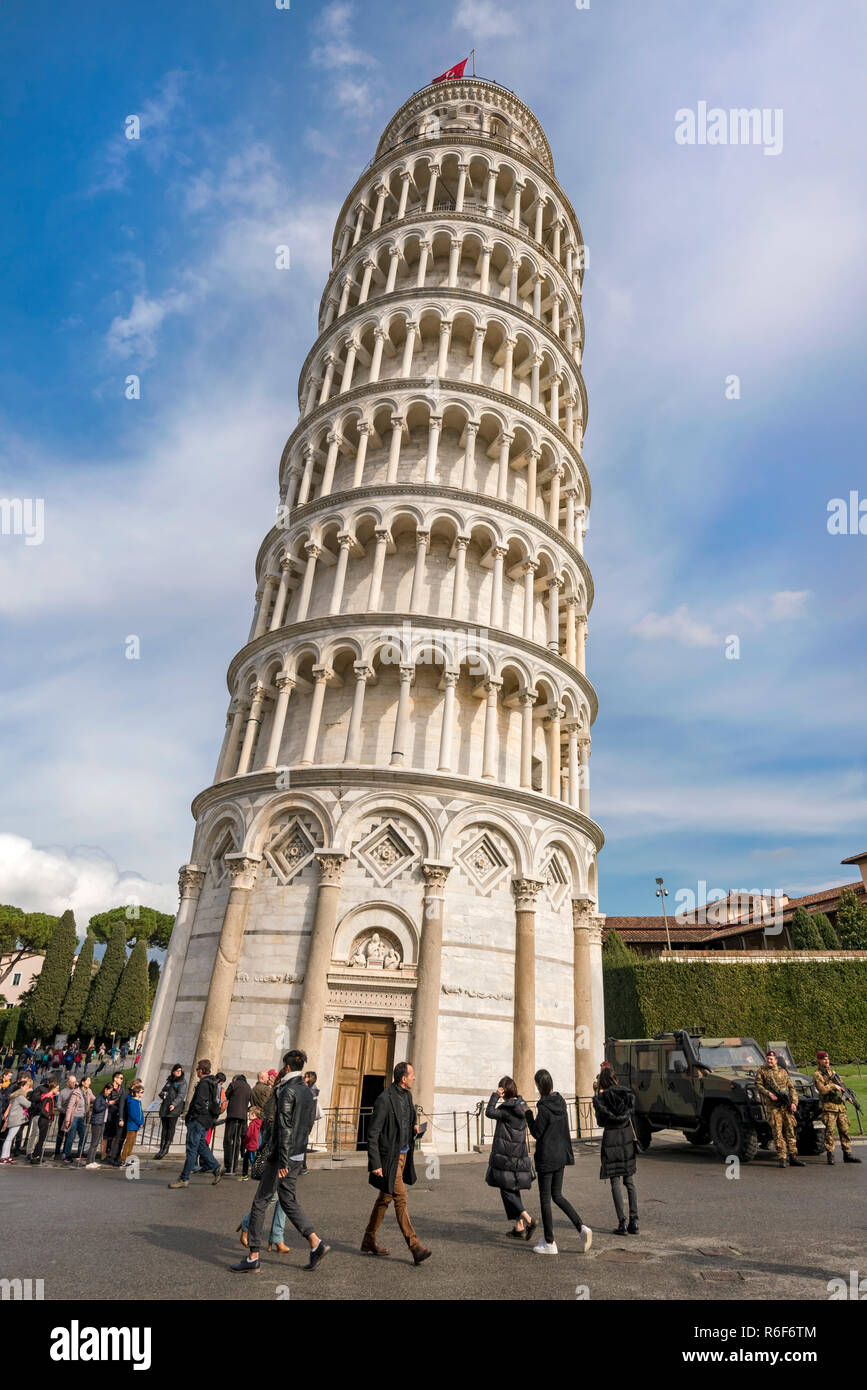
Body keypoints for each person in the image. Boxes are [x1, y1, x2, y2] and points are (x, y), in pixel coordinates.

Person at [230, 1048, 329, 1274]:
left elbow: (284, 1127)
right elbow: (306, 1125)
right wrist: (296, 1156)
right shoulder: (308, 1091)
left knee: (260, 1202)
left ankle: (253, 1255)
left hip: (281, 1156)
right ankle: (316, 1243)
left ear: (286, 1067)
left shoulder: (288, 1090)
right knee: (288, 1200)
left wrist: (282, 1161)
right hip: (297, 1154)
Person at [361, 1061, 430, 1264]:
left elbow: (410, 1114)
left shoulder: (407, 1096)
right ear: (403, 1078)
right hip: (389, 1158)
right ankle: (415, 1247)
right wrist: (375, 1163)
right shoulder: (384, 1099)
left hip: (404, 1155)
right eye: (412, 1074)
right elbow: (372, 1133)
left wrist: (415, 1125)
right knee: (401, 1199)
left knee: (385, 1198)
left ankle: (368, 1239)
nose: (415, 1078)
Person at [526, 1068, 591, 1255]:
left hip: (547, 1157)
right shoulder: (560, 1102)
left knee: (545, 1199)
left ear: (539, 1085)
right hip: (560, 1156)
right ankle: (581, 1227)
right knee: (558, 1195)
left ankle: (549, 1242)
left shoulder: (544, 1108)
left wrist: (528, 1114)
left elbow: (537, 1133)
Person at [484, 1075, 537, 1243]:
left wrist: (495, 1096)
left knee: (506, 1189)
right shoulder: (521, 1106)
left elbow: (489, 1112)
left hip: (506, 1155)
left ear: (504, 1091)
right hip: (518, 1154)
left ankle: (529, 1220)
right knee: (512, 1188)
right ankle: (519, 1227)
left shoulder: (507, 1109)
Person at [593, 1066, 639, 1234]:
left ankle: (622, 1222)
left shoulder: (601, 1099)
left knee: (615, 1183)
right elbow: (630, 1116)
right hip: (626, 1139)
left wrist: (597, 1093)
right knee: (630, 1182)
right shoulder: (627, 1094)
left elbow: (600, 1122)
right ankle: (634, 1221)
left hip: (611, 1140)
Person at [168, 1059, 223, 1189]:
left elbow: (199, 1104)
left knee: (192, 1148)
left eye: (198, 1069)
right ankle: (216, 1168)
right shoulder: (213, 1083)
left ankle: (184, 1178)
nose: (197, 1071)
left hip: (198, 1120)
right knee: (201, 1146)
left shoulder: (203, 1084)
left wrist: (191, 1117)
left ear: (201, 1070)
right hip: (206, 1120)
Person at [755, 1050, 805, 1169]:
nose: (769, 1061)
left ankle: (793, 1156)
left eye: (771, 1059)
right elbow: (758, 1085)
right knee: (777, 1133)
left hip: (786, 1106)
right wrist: (769, 1094)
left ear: (776, 1060)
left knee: (790, 1132)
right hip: (773, 1107)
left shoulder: (783, 1072)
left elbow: (791, 1088)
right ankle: (782, 1157)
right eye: (767, 1059)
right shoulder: (762, 1071)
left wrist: (794, 1103)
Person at [813, 1050, 861, 1165]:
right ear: (819, 1060)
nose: (827, 1061)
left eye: (827, 1058)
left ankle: (847, 1154)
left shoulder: (833, 1072)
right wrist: (833, 1086)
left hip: (840, 1107)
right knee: (829, 1132)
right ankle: (830, 1155)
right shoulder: (817, 1074)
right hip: (829, 1108)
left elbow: (842, 1086)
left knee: (845, 1130)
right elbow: (822, 1090)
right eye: (824, 1059)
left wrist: (848, 1096)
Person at [154, 1065, 185, 1160]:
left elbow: (181, 1095)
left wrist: (174, 1104)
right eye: (177, 1070)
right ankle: (161, 1147)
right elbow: (164, 1090)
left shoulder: (182, 1082)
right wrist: (162, 1094)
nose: (179, 1072)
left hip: (174, 1109)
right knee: (164, 1128)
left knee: (170, 1128)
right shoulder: (169, 1081)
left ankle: (166, 1147)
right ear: (173, 1072)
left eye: (180, 1070)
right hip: (165, 1107)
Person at [223, 1074, 252, 1175]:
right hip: (242, 1117)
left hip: (232, 1116)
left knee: (228, 1140)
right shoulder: (248, 1087)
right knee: (237, 1141)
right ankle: (234, 1166)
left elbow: (226, 1095)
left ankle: (228, 1165)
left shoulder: (234, 1084)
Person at [0, 1077, 32, 1162]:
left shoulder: (16, 1095)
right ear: (22, 1087)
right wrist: (29, 1094)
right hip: (16, 1119)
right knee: (9, 1138)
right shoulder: (20, 1096)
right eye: (26, 1086)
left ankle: (6, 1156)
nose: (27, 1088)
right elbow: (28, 1104)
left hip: (14, 1118)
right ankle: (3, 1156)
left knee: (9, 1138)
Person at [29, 1077, 60, 1163]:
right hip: (42, 1118)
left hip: (45, 1118)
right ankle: (34, 1156)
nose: (58, 1090)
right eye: (57, 1088)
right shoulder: (46, 1095)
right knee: (39, 1138)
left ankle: (37, 1155)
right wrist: (49, 1116)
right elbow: (43, 1109)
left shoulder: (50, 1096)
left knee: (41, 1138)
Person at [84, 1083, 114, 1168]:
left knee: (96, 1142)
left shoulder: (105, 1099)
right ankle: (88, 1162)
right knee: (94, 1142)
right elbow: (97, 1109)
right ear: (105, 1089)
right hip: (96, 1122)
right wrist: (107, 1104)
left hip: (102, 1122)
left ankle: (92, 1160)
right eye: (109, 1091)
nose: (110, 1093)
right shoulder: (99, 1098)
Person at [62, 1075, 89, 1163]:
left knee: (83, 1135)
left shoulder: (88, 1092)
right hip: (75, 1117)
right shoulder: (76, 1092)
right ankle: (67, 1155)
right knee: (71, 1137)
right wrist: (67, 1120)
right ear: (83, 1082)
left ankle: (80, 1153)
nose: (90, 1082)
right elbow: (70, 1107)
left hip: (82, 1117)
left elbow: (94, 1099)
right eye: (88, 1080)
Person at [54, 1077, 79, 1160]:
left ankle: (65, 1152)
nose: (74, 1084)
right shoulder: (62, 1092)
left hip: (72, 1116)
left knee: (69, 1135)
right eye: (72, 1082)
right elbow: (58, 1105)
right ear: (68, 1082)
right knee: (60, 1134)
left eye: (75, 1082)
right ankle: (57, 1152)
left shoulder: (76, 1091)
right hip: (63, 1115)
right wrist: (62, 1110)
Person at [121, 1081, 145, 1162]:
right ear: (137, 1093)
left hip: (136, 1125)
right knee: (128, 1143)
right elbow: (133, 1114)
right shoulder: (132, 1101)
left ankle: (128, 1157)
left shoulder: (138, 1102)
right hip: (132, 1125)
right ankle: (123, 1159)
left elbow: (141, 1112)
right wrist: (139, 1122)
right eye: (141, 1092)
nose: (142, 1094)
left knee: (132, 1143)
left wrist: (142, 1121)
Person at [301, 1071, 320, 1173]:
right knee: (302, 1144)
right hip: (306, 1122)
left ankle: (302, 1166)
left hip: (305, 1122)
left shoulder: (310, 1091)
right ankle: (302, 1165)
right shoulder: (310, 1090)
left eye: (306, 1076)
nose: (304, 1078)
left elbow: (308, 1110)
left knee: (302, 1144)